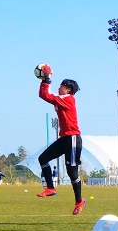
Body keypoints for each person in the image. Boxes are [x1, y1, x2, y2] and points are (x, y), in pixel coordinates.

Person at [36, 65, 86, 215]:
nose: (59, 88)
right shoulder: (62, 98)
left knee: (72, 172)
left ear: (68, 90)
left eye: (61, 86)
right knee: (43, 158)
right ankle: (50, 188)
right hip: (64, 138)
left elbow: (46, 95)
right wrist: (45, 79)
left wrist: (47, 78)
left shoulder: (68, 99)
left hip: (73, 138)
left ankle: (79, 201)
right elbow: (44, 95)